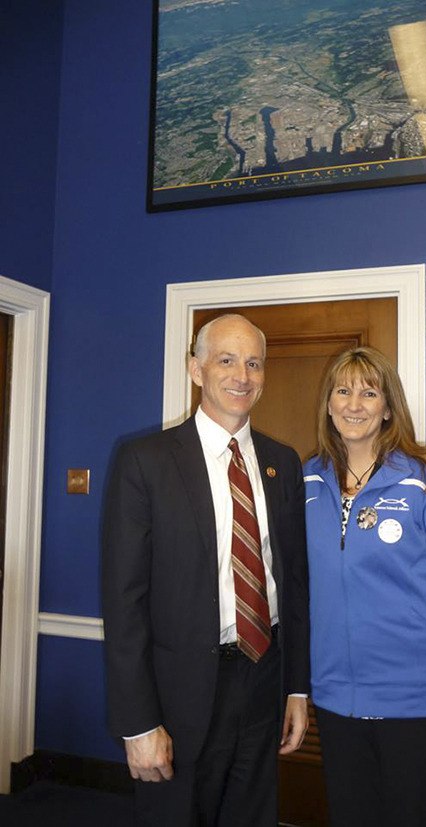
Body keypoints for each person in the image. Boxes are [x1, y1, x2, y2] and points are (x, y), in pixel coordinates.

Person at [102, 314, 310, 826]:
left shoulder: (282, 464)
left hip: (264, 682)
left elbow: (296, 585)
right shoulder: (144, 461)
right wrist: (138, 724)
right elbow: (123, 601)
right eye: (226, 359)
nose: (242, 375)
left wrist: (297, 689)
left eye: (254, 363)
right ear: (196, 370)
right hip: (179, 696)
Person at [304, 346, 426, 827]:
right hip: (335, 701)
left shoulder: (425, 478)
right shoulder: (305, 481)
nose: (354, 404)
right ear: (327, 403)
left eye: (370, 392)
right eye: (342, 391)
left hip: (415, 702)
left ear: (389, 407)